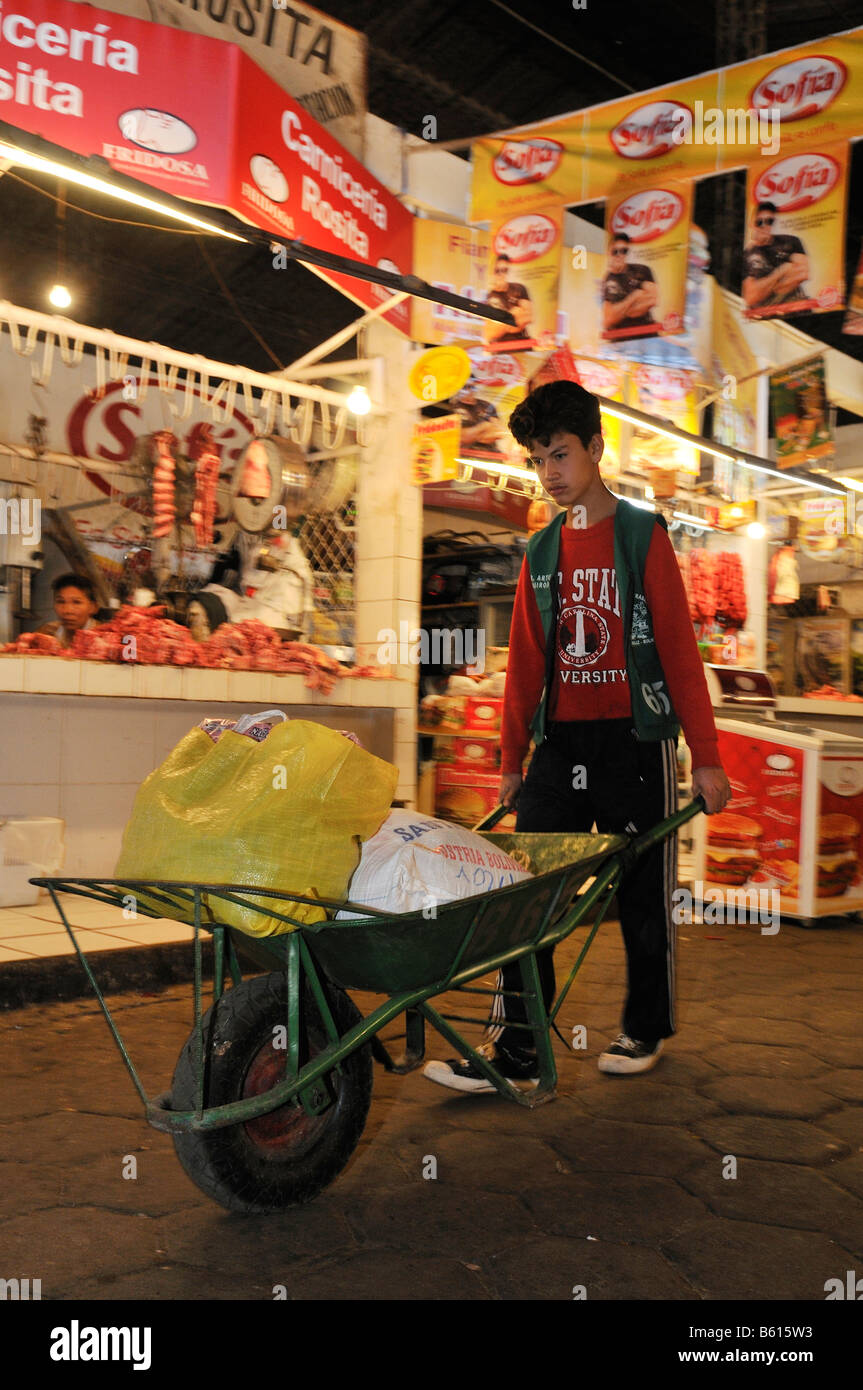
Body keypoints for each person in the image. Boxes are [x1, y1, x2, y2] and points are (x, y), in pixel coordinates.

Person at [423, 380, 730, 1093]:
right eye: (537, 460)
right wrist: (510, 762)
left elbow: (680, 653)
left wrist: (706, 758)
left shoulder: (639, 534)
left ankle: (645, 1027)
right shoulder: (538, 551)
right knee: (522, 892)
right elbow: (524, 664)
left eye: (559, 454)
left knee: (641, 893)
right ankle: (519, 1052)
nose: (550, 473)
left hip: (634, 739)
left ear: (595, 448)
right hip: (559, 747)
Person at [742, 202, 809, 312]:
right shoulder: (746, 255)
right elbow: (751, 298)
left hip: (798, 310)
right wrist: (782, 271)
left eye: (769, 221)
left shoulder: (791, 241)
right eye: (759, 222)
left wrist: (765, 289)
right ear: (751, 224)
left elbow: (803, 273)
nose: (764, 226)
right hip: (768, 319)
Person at [601, 232, 658, 335]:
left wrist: (622, 310)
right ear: (609, 252)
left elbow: (653, 300)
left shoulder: (642, 270)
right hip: (622, 340)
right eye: (615, 251)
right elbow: (609, 320)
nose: (620, 255)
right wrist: (634, 297)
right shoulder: (608, 280)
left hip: (648, 335)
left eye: (624, 251)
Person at [36, 573, 102, 649]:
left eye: (76, 602)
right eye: (61, 601)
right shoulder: (46, 633)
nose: (67, 610)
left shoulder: (103, 637)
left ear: (93, 607)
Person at [485, 254, 533, 344]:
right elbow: (490, 333)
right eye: (497, 271)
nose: (501, 274)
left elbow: (528, 317)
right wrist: (514, 315)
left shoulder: (519, 288)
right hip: (500, 346)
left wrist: (503, 322)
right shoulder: (490, 296)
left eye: (504, 270)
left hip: (522, 342)